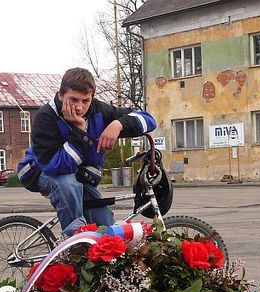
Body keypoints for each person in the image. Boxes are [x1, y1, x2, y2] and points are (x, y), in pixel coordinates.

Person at [17, 67, 156, 236]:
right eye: (73, 100)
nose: (79, 107)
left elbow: (149, 119)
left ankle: (101, 253)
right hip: (38, 171)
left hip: (78, 175)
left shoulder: (97, 110)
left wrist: (118, 124)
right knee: (67, 184)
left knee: (103, 220)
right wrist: (80, 131)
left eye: (85, 100)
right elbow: (57, 166)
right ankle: (74, 242)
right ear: (61, 95)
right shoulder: (46, 117)